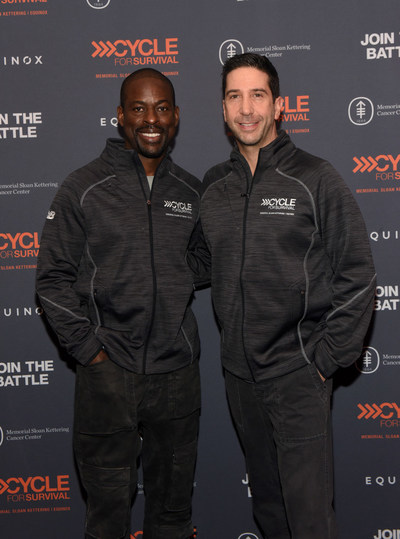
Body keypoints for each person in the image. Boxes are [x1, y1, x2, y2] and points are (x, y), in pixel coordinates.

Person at [199, 53, 376, 538]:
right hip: (239, 377)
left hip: (298, 375)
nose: (246, 108)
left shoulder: (315, 177)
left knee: (310, 518)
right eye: (235, 96)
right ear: (223, 108)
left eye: (258, 95)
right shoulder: (214, 186)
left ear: (278, 106)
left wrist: (324, 358)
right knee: (270, 513)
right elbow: (195, 260)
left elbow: (357, 272)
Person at [36, 68, 207, 539]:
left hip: (177, 375)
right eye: (138, 108)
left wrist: (168, 280)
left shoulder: (192, 192)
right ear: (119, 117)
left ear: (176, 117)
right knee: (108, 518)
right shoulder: (84, 187)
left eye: (161, 108)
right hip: (108, 376)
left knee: (172, 516)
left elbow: (204, 260)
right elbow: (51, 278)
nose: (150, 119)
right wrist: (90, 352)